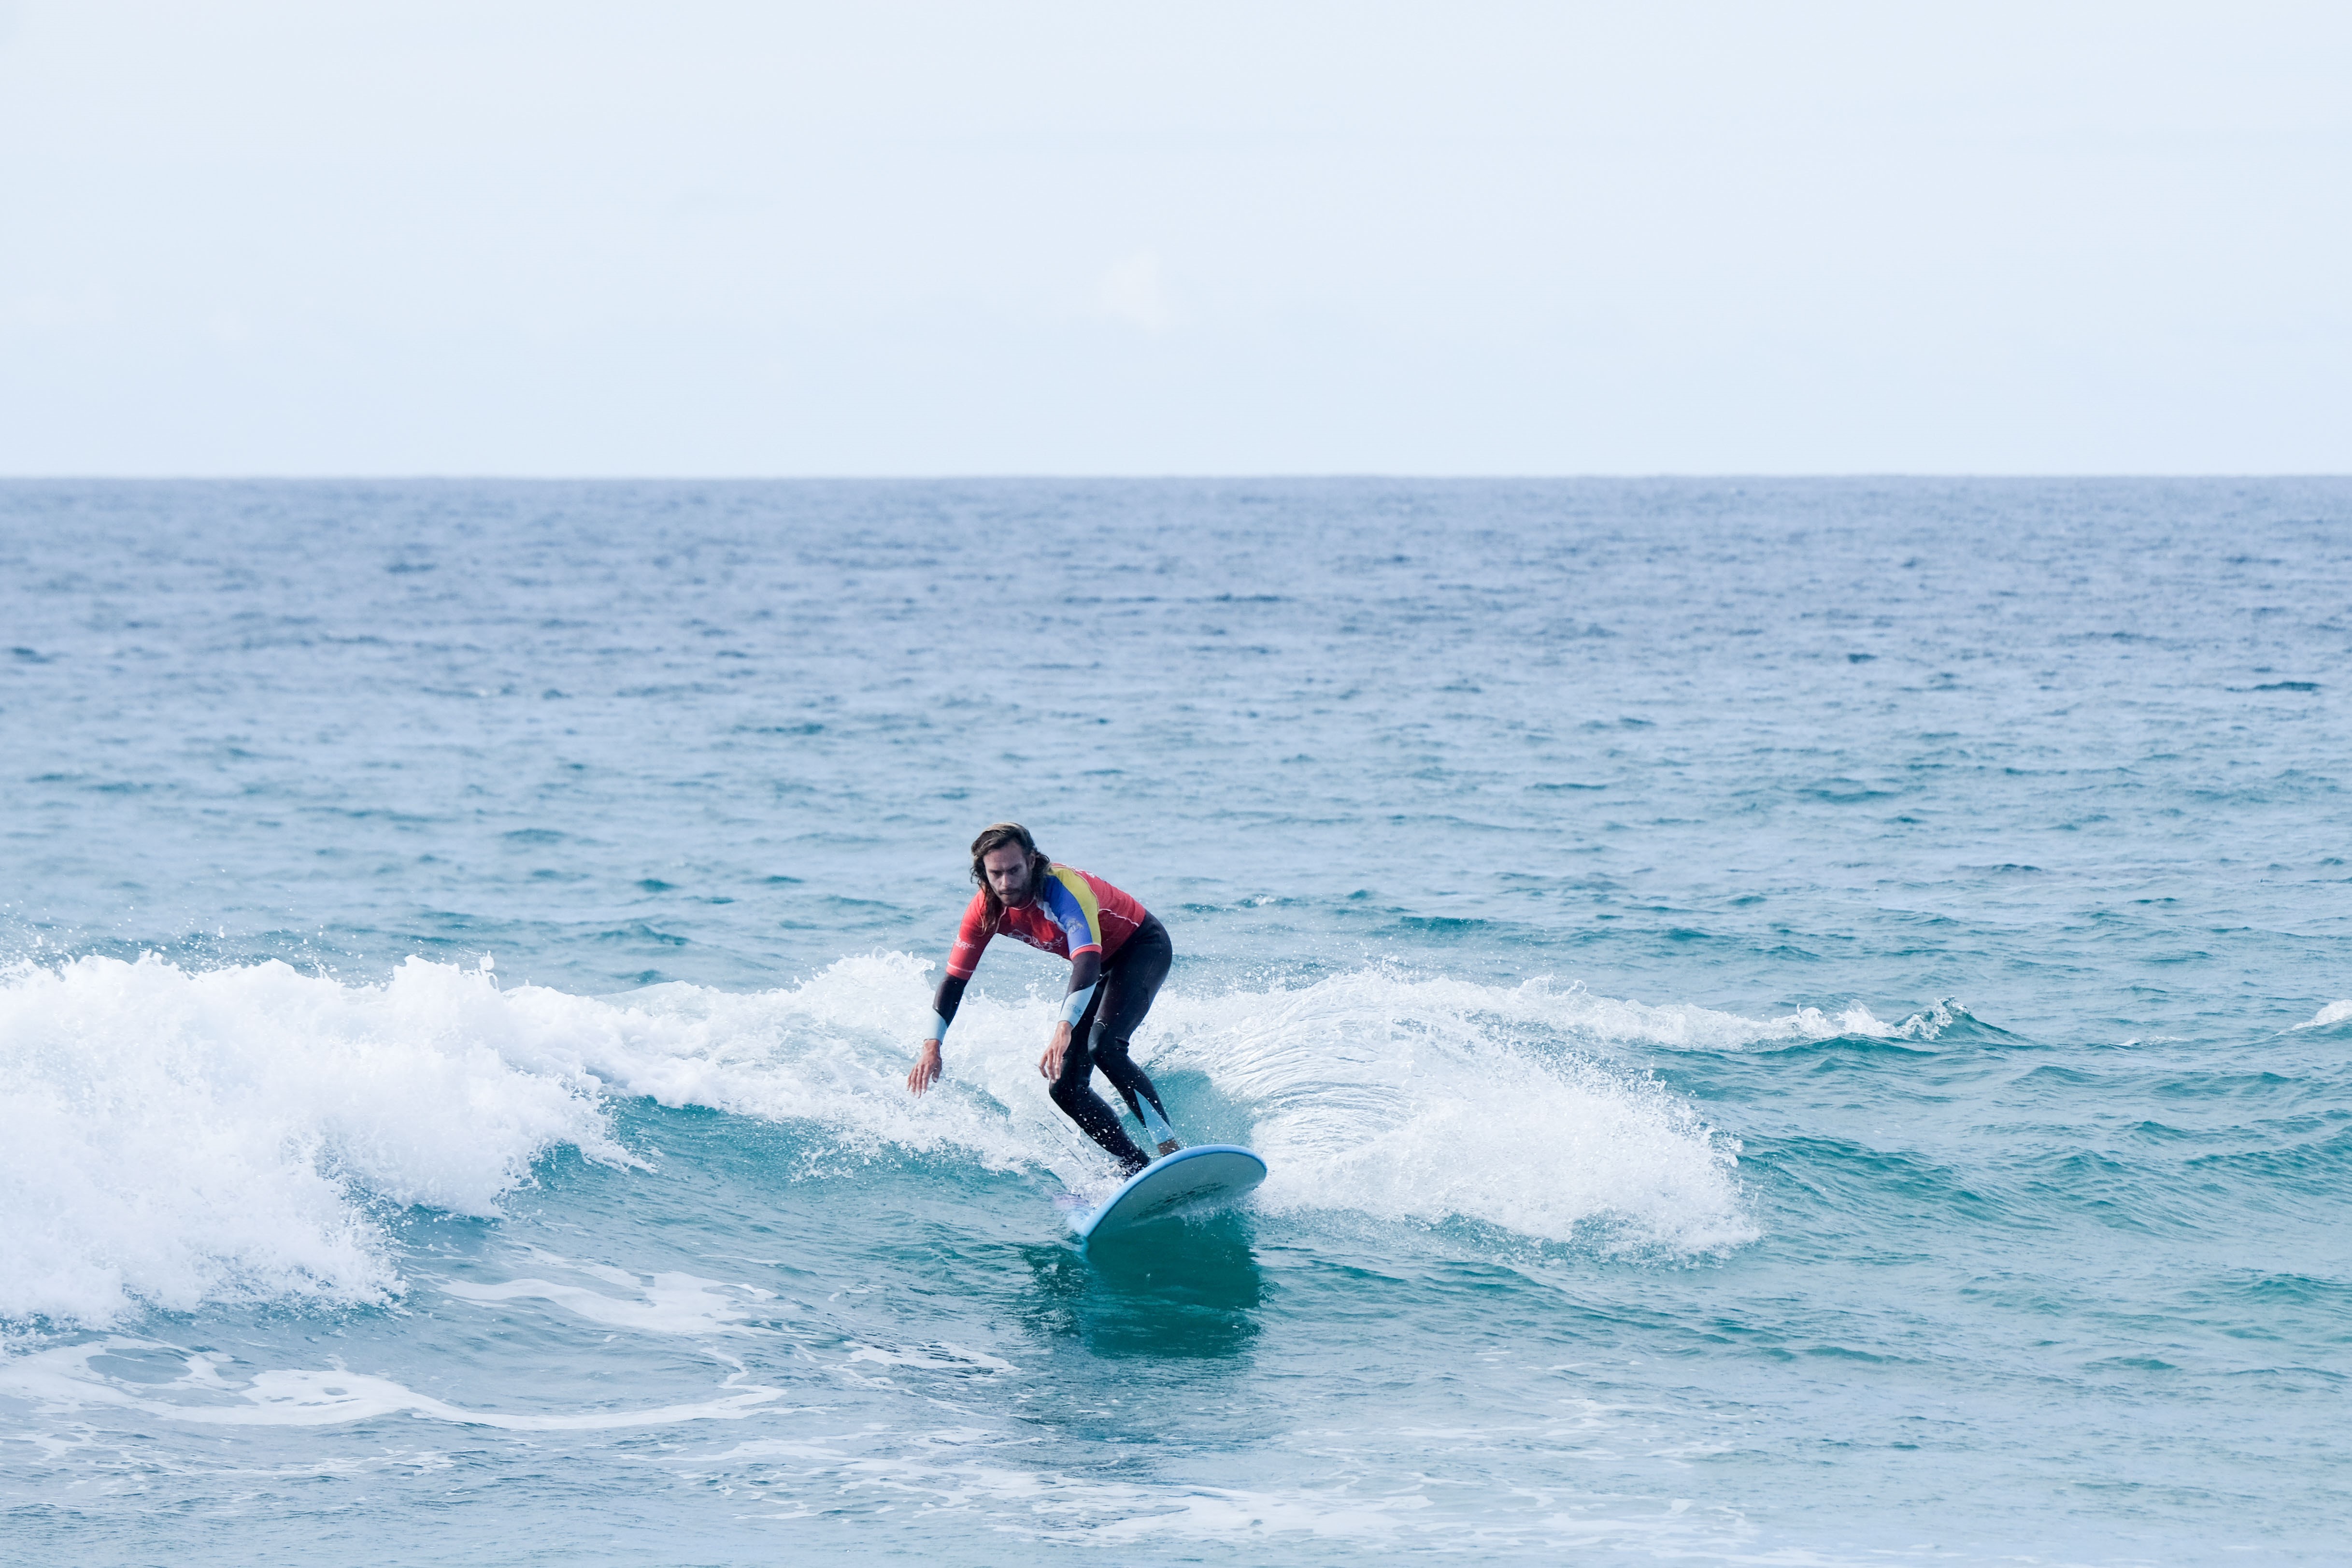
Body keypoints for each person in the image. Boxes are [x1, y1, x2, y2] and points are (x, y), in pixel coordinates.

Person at [906, 822, 1179, 1174]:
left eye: (1014, 870)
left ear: (1032, 861)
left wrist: (1063, 1028)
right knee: (1064, 1088)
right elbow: (955, 980)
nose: (1006, 883)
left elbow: (1086, 960)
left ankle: (1171, 1152)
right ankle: (1135, 1166)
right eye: (996, 874)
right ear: (982, 873)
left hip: (1142, 948)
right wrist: (932, 1046)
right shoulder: (985, 910)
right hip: (1100, 967)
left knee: (1106, 1046)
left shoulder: (1064, 890)